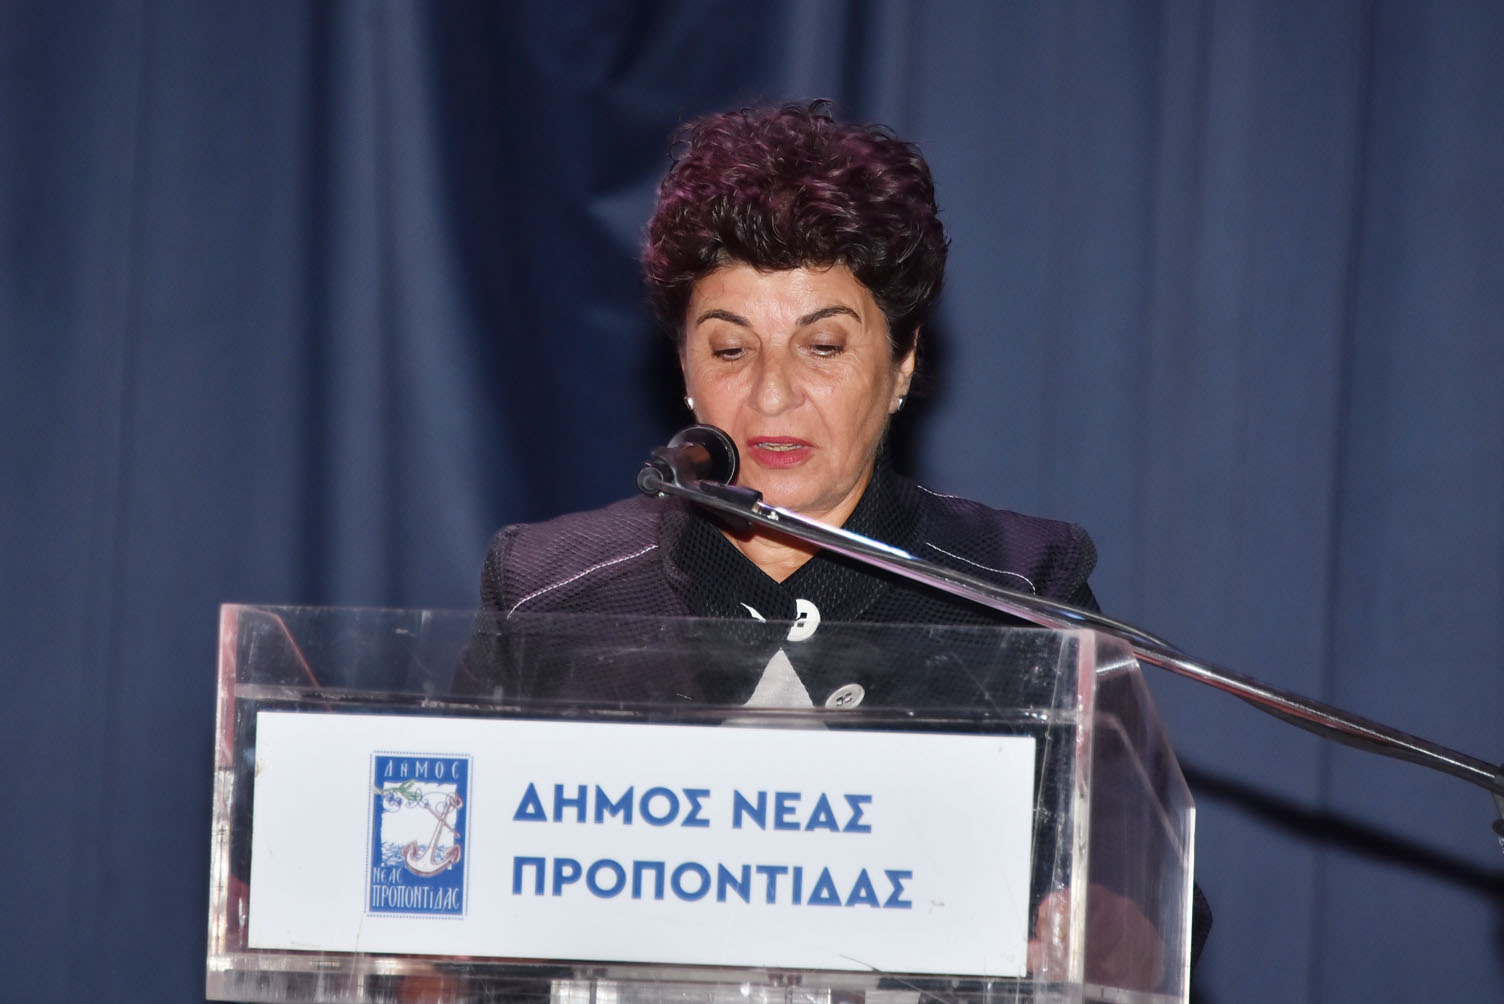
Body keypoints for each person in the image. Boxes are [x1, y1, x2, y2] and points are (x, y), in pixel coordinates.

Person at [458, 100, 1205, 985]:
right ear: (685, 369)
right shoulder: (552, 592)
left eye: (822, 346)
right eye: (730, 350)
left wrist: (1103, 930)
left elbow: (1148, 900)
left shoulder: (1017, 591)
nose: (772, 396)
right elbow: (444, 889)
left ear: (903, 363)